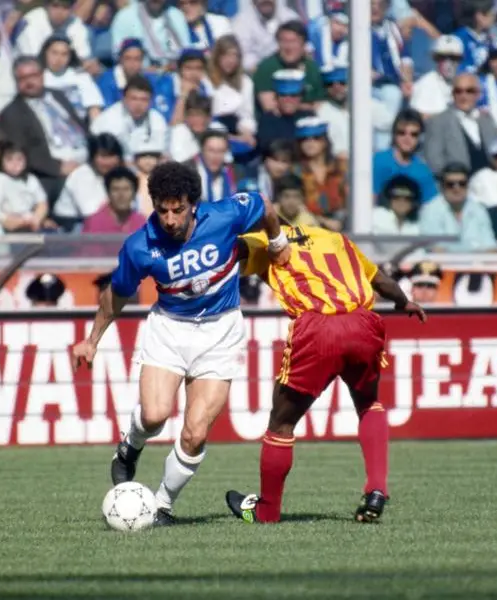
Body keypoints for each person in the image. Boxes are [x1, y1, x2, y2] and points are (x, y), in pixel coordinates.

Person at [70, 161, 288, 526]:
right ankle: (130, 446)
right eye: (162, 210)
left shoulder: (224, 215)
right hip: (170, 329)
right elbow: (116, 295)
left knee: (196, 431)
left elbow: (264, 205)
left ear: (193, 204)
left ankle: (161, 506)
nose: (169, 219)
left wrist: (278, 242)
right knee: (154, 415)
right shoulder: (140, 246)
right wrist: (91, 340)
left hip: (221, 331)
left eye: (178, 209)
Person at [224, 223, 427, 525]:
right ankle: (376, 489)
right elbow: (379, 280)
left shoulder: (261, 240)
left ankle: (266, 511)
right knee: (368, 403)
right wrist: (403, 301)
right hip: (363, 323)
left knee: (281, 423)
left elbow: (225, 255)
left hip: (317, 328)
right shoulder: (332, 237)